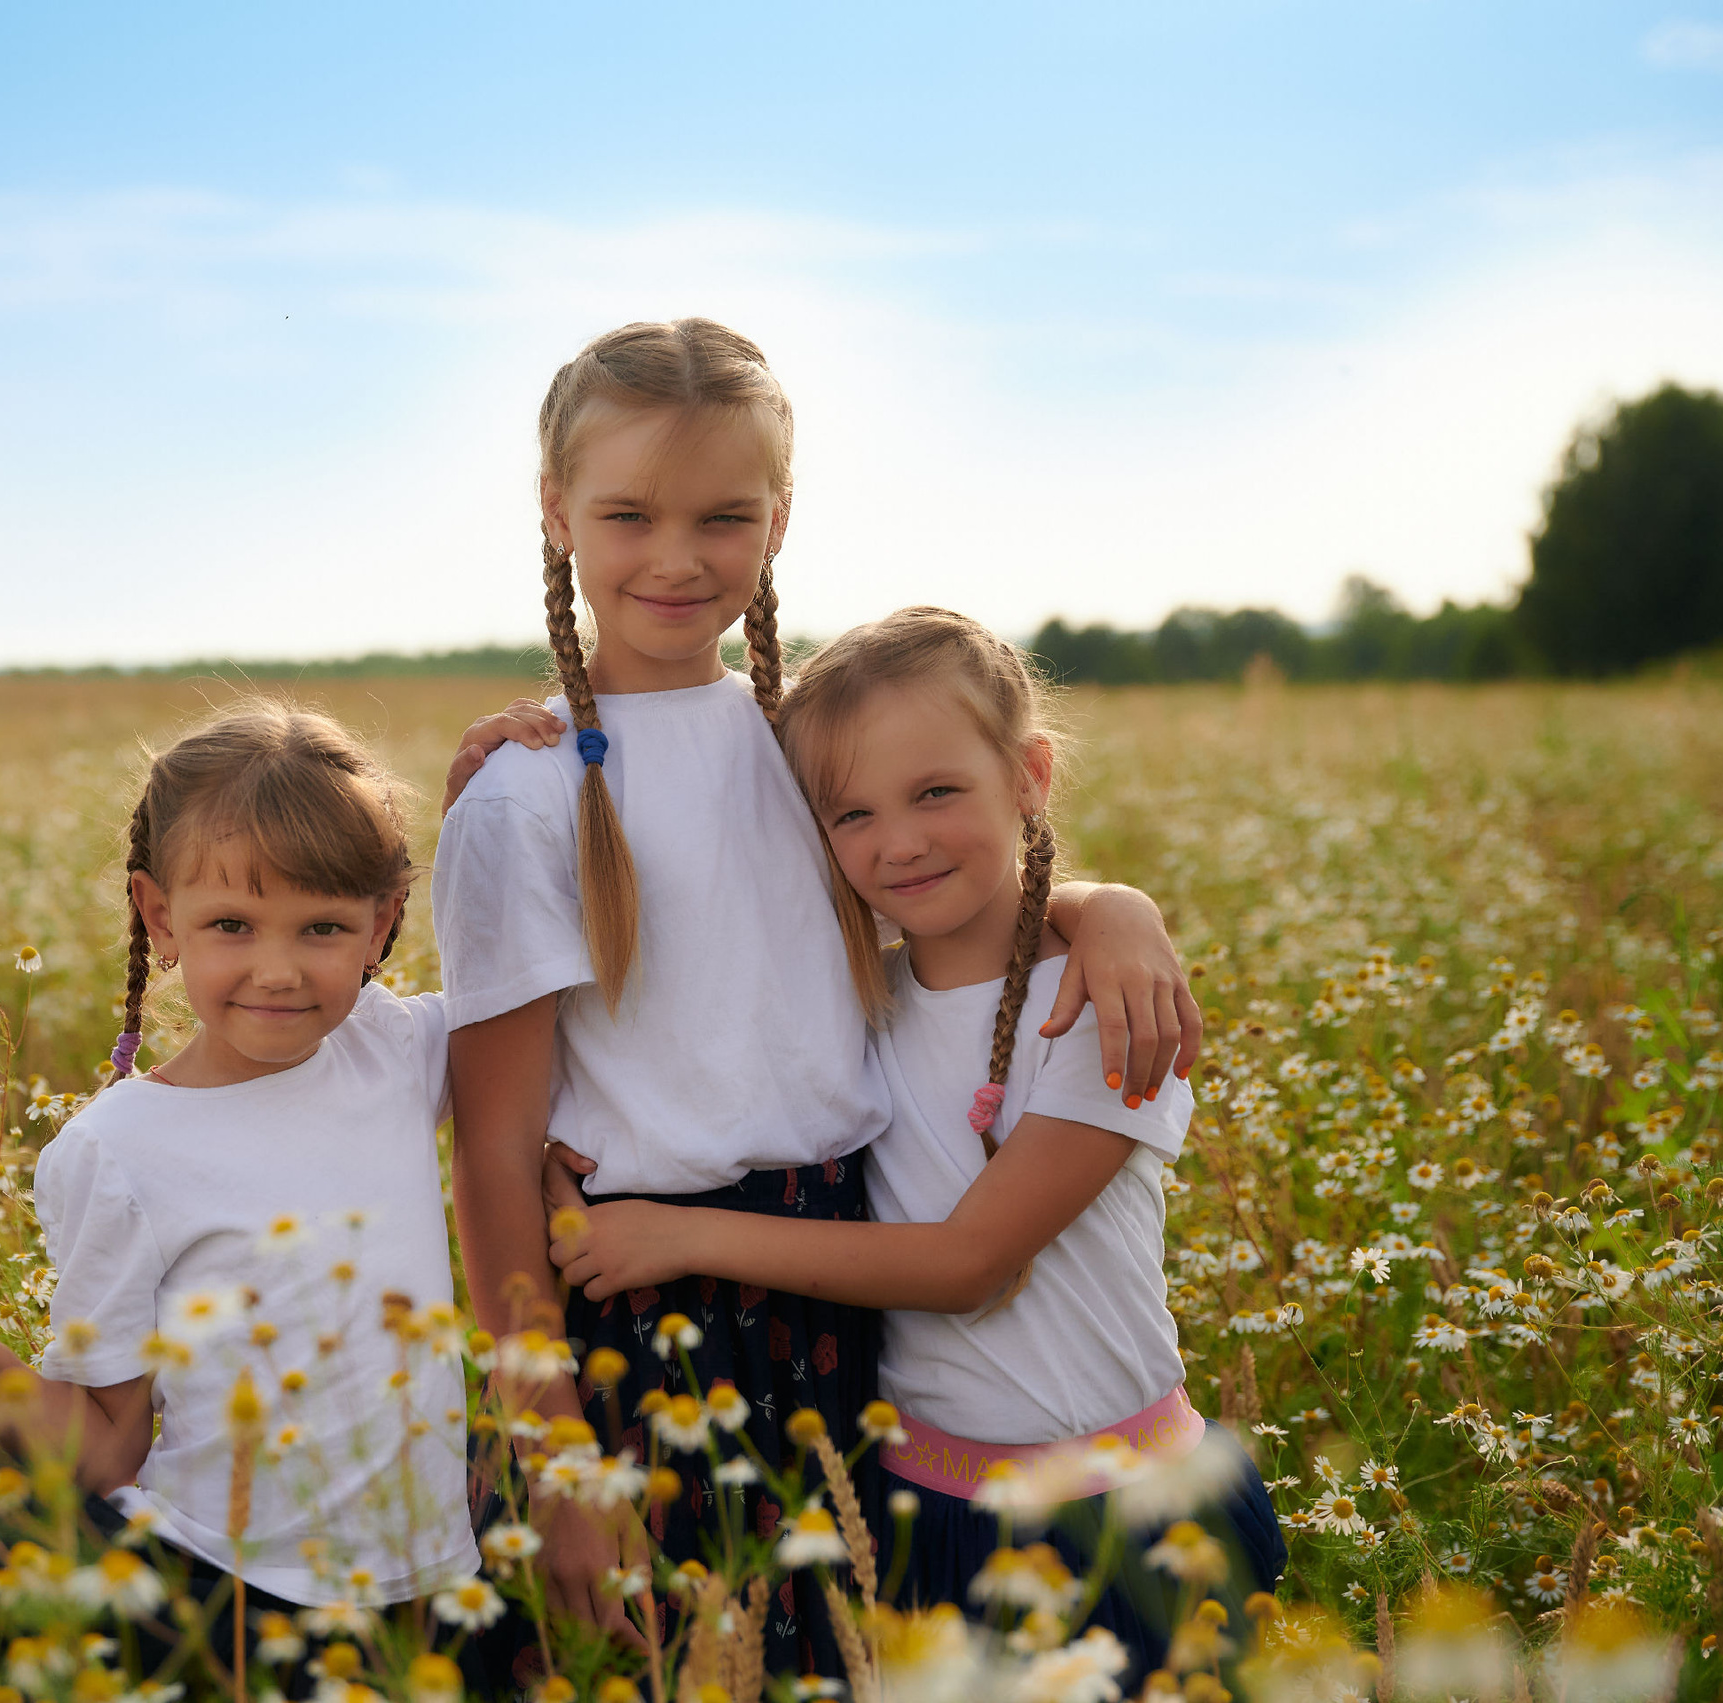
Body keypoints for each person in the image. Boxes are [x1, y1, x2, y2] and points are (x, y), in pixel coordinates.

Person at [432, 319, 1202, 1677]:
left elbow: (938, 882)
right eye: (628, 513)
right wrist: (550, 1444)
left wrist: (1104, 907)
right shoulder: (522, 796)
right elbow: (493, 1151)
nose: (678, 555)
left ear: (778, 521)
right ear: (555, 512)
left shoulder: (799, 749)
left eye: (724, 515)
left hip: (848, 1298)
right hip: (639, 1303)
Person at [544, 607, 1285, 1691]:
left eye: (936, 791)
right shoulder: (850, 1001)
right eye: (851, 812)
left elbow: (965, 1262)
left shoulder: (1101, 1009)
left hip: (1125, 1518)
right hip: (919, 1515)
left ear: (1029, 774)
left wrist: (674, 1233)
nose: (898, 840)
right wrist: (542, 730)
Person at [0, 703, 478, 1696]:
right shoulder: (116, 1149)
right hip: (225, 1593)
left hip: (427, 1592)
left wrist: (496, 791)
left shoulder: (397, 1048)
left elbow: (534, 985)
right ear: (160, 916)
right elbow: (113, 1442)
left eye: (324, 926)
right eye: (231, 925)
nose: (279, 969)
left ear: (383, 920)